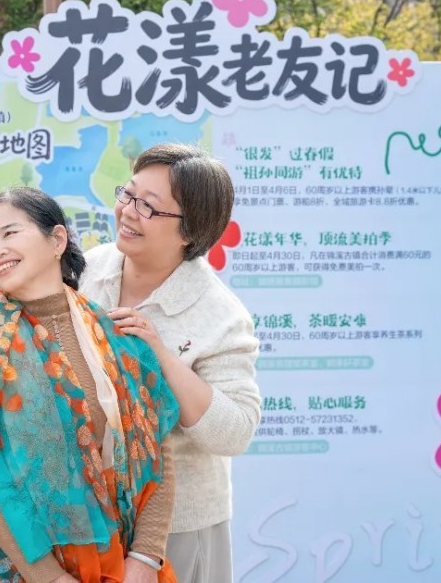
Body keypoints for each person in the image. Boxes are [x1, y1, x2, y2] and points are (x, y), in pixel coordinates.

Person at [0, 187, 179, 583]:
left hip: (128, 561)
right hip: (30, 568)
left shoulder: (119, 337)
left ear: (57, 240)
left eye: (9, 233)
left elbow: (159, 451)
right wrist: (50, 577)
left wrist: (146, 556)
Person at [79, 144, 261, 583]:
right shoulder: (88, 269)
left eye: (149, 206)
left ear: (189, 231)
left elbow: (235, 431)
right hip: (89, 517)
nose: (128, 211)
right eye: (128, 194)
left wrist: (159, 356)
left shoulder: (221, 315)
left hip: (178, 529)